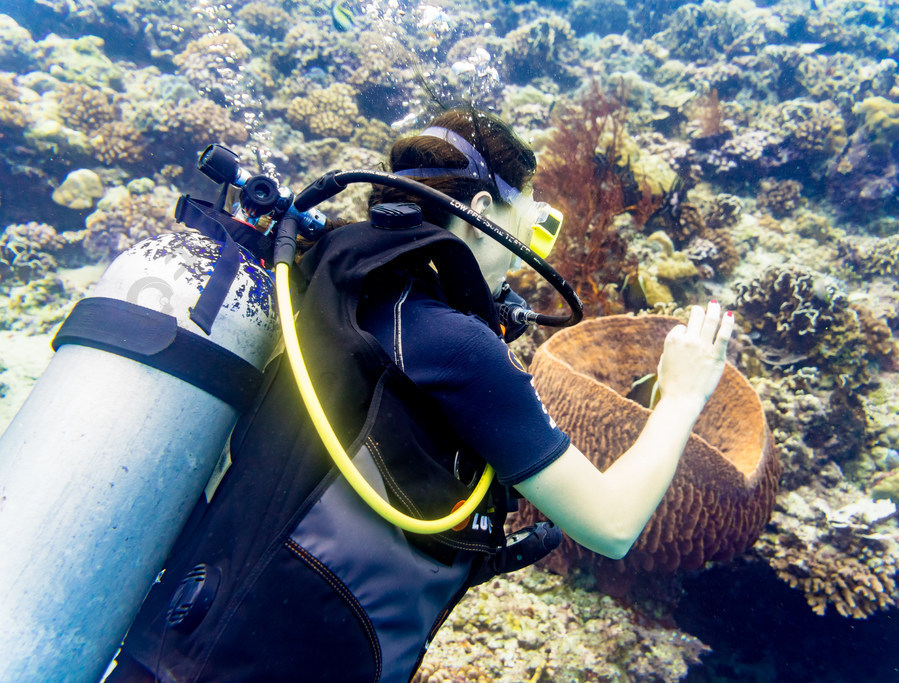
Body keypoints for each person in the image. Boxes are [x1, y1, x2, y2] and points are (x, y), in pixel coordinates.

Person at [107, 107, 733, 682]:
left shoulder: (336, 286)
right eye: (533, 226)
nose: (527, 257)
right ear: (483, 211)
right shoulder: (454, 346)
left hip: (174, 648)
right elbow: (613, 524)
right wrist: (682, 394)